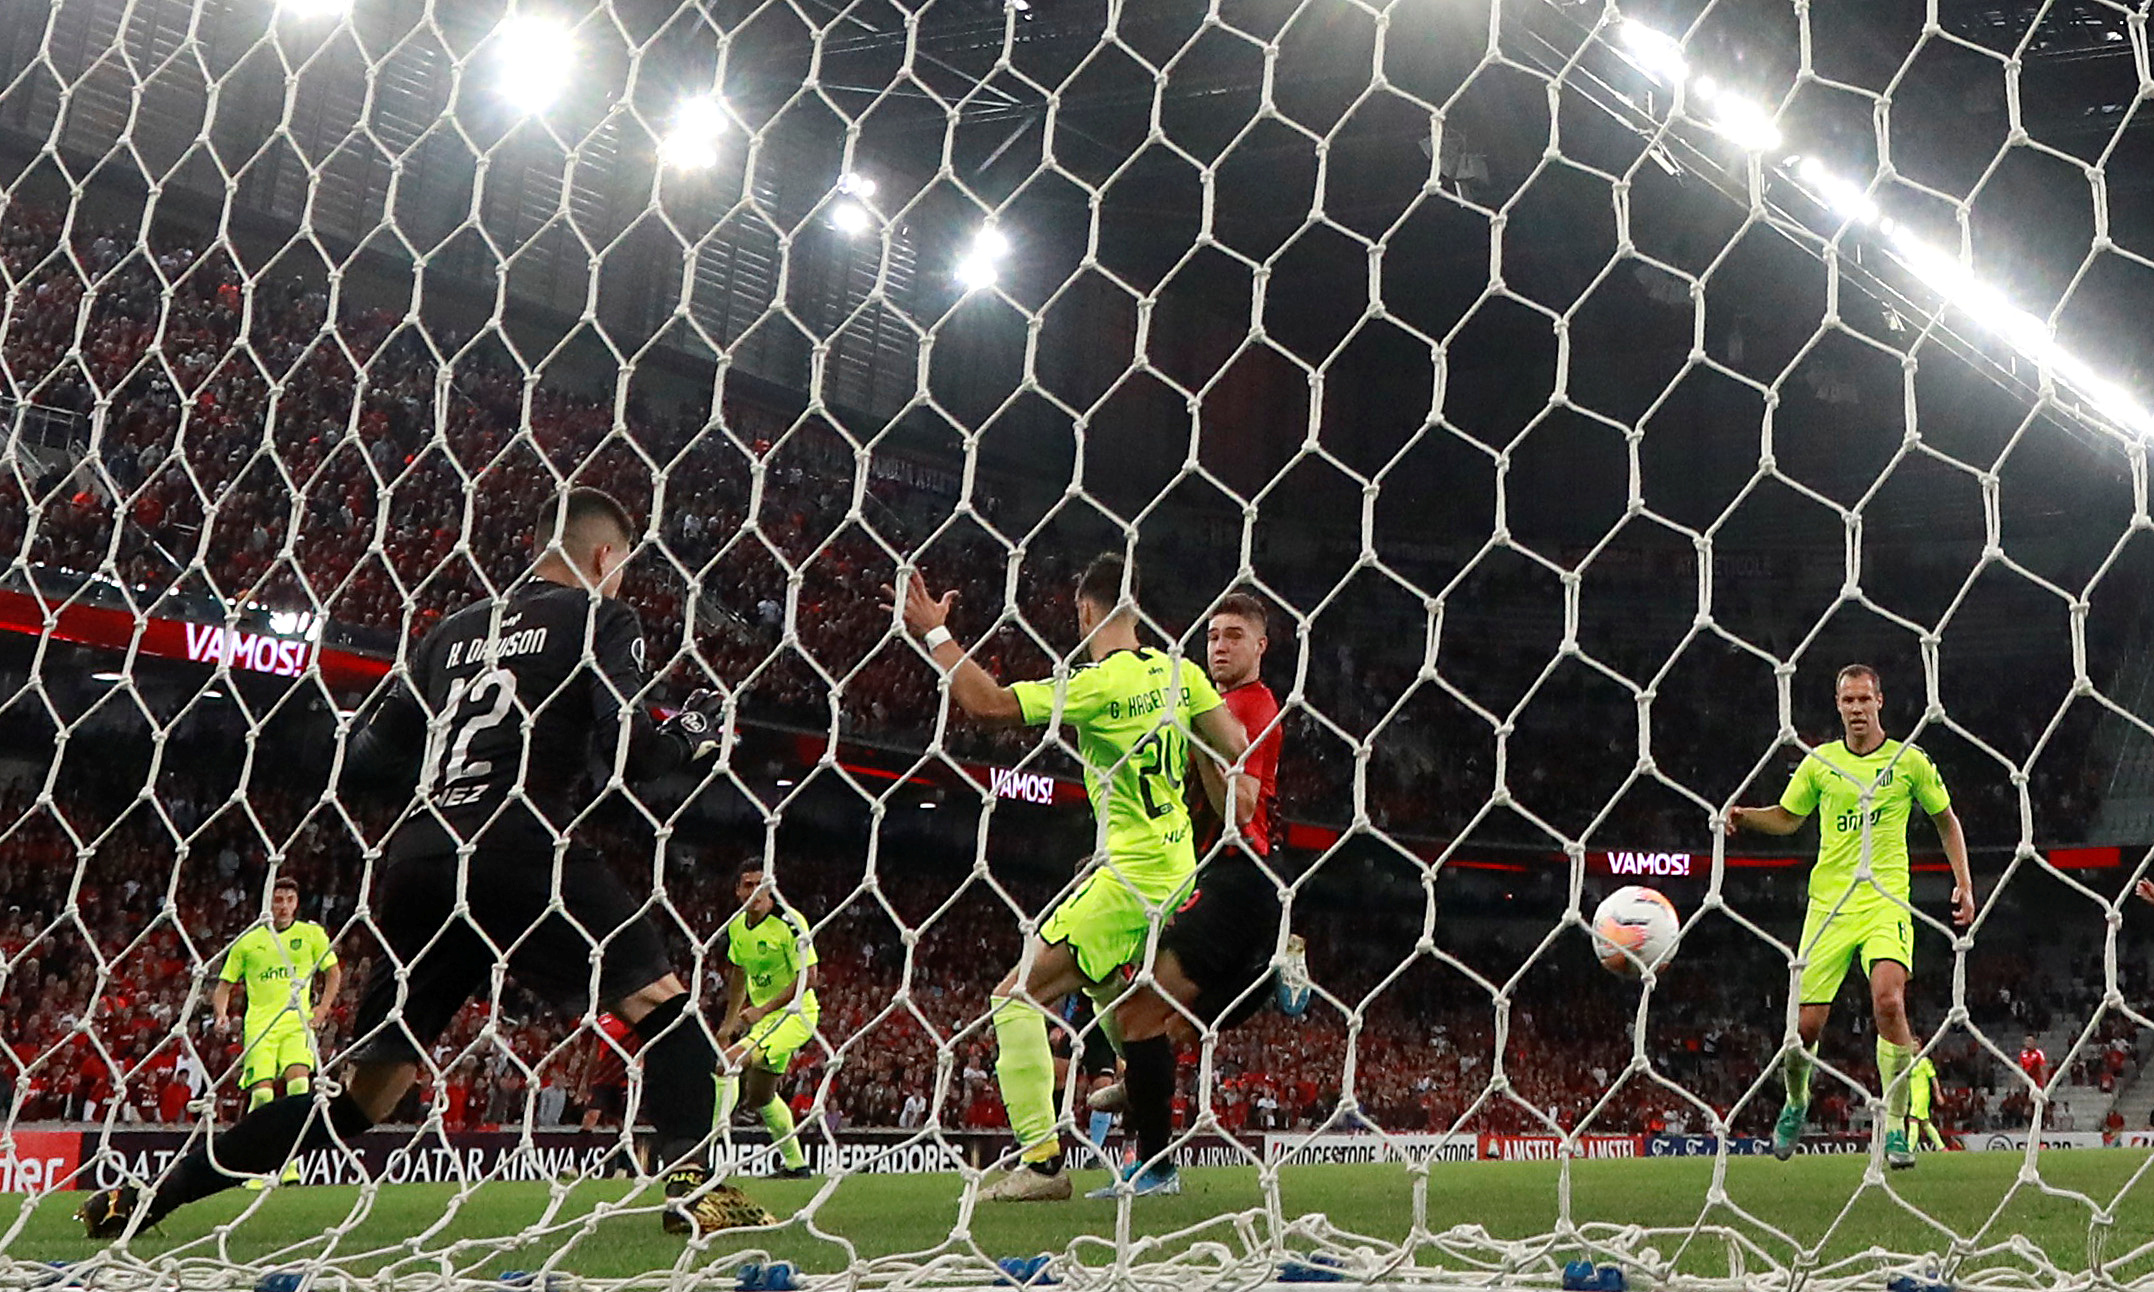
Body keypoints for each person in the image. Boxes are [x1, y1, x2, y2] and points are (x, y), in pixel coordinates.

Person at [79, 488, 766, 1239]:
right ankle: (699, 1187)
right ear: (605, 556)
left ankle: (151, 1197)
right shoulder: (600, 616)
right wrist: (693, 734)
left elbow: (371, 758)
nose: (623, 579)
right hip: (522, 846)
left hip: (418, 862)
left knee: (357, 1103)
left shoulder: (451, 632)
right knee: (663, 1008)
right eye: (623, 565)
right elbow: (627, 753)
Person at [891, 553, 1252, 1201]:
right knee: (1120, 1005)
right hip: (1177, 872)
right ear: (1134, 607)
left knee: (1015, 997)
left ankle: (1042, 1163)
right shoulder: (1183, 674)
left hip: (1129, 878)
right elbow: (1232, 742)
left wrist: (933, 633)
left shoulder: (1096, 684)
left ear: (1085, 610)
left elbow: (989, 704)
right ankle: (1145, 1124)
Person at [1086, 590, 1300, 1197]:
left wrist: (1201, 728)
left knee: (1140, 1012)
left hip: (1240, 873)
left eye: (1233, 635)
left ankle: (1156, 1170)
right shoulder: (1202, 702)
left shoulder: (1250, 705)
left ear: (1260, 645)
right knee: (1151, 1019)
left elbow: (1242, 804)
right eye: (1212, 635)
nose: (1219, 645)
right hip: (1211, 876)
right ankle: (1268, 975)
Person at [1726, 664, 1974, 1170]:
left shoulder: (1909, 762)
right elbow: (1788, 817)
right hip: (1829, 908)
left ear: (1880, 701)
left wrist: (1965, 884)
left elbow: (1946, 821)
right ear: (1837, 706)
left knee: (1888, 1000)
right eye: (1848, 701)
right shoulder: (1820, 764)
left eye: (1865, 699)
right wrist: (1745, 816)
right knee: (1804, 1030)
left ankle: (1898, 1129)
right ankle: (1796, 1100)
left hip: (1885, 901)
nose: (1857, 709)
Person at [211, 875, 341, 1188]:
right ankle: (257, 1166)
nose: (283, 906)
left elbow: (333, 974)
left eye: (288, 900)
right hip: (260, 1026)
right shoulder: (248, 942)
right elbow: (223, 986)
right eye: (278, 900)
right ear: (268, 903)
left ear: (297, 903)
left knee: (299, 1089)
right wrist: (221, 1015)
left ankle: (291, 1165)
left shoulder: (311, 935)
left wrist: (322, 1009)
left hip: (297, 1023)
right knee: (264, 1094)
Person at [716, 860, 820, 1180]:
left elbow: (810, 977)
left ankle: (701, 1154)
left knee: (727, 1065)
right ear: (737, 891)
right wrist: (728, 1023)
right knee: (760, 1096)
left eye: (762, 885)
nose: (756, 892)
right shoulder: (736, 926)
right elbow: (738, 974)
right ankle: (796, 1165)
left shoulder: (790, 921)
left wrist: (762, 1010)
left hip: (796, 1014)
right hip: (764, 1022)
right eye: (748, 885)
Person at [1905, 1050, 1945, 1151]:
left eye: (1916, 1045)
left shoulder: (1924, 1061)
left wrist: (1938, 1093)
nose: (1913, 1047)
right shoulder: (1908, 1061)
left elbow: (1933, 1078)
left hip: (1922, 1096)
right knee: (1925, 1123)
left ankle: (1909, 1149)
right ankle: (1942, 1147)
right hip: (1913, 1096)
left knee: (1913, 1119)